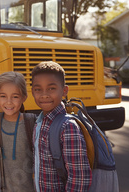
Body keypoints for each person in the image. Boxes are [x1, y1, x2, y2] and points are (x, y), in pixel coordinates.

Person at [32, 61, 91, 191]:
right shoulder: (39, 122)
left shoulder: (68, 127)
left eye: (51, 88)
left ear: (64, 90)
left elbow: (80, 178)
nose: (44, 94)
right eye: (38, 89)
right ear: (32, 92)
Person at [0, 71, 36, 192]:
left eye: (15, 96)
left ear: (24, 97)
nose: (9, 102)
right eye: (3, 96)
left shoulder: (32, 123)